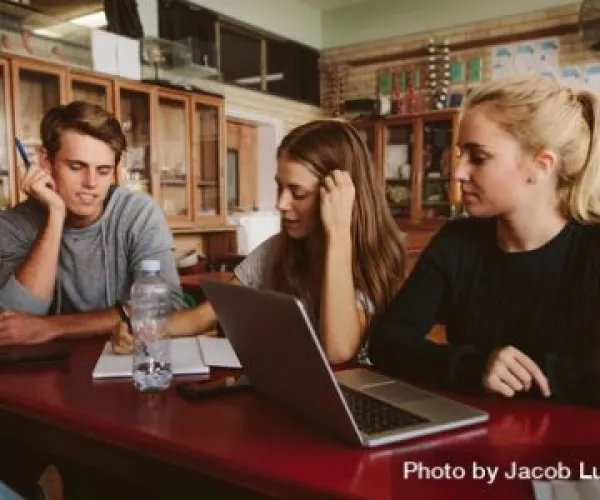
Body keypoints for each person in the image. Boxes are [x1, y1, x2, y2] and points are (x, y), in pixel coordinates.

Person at [368, 74, 600, 406]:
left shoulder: (593, 249)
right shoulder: (456, 241)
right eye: (460, 154)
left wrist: (519, 376)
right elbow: (388, 342)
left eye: (478, 158)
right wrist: (476, 367)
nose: (458, 172)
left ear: (541, 165)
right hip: (473, 440)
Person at [114, 119, 406, 364]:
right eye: (279, 187)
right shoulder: (281, 249)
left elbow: (338, 352)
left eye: (298, 193)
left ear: (339, 194)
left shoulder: (376, 258)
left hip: (355, 410)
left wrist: (339, 231)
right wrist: (143, 328)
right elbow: (203, 316)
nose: (281, 203)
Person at [0, 101, 185, 346]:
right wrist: (55, 215)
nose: (91, 183)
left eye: (104, 170)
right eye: (77, 167)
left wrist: (54, 327)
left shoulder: (138, 213)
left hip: (123, 367)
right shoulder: (13, 225)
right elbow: (11, 324)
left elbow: (166, 309)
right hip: (45, 374)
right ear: (45, 161)